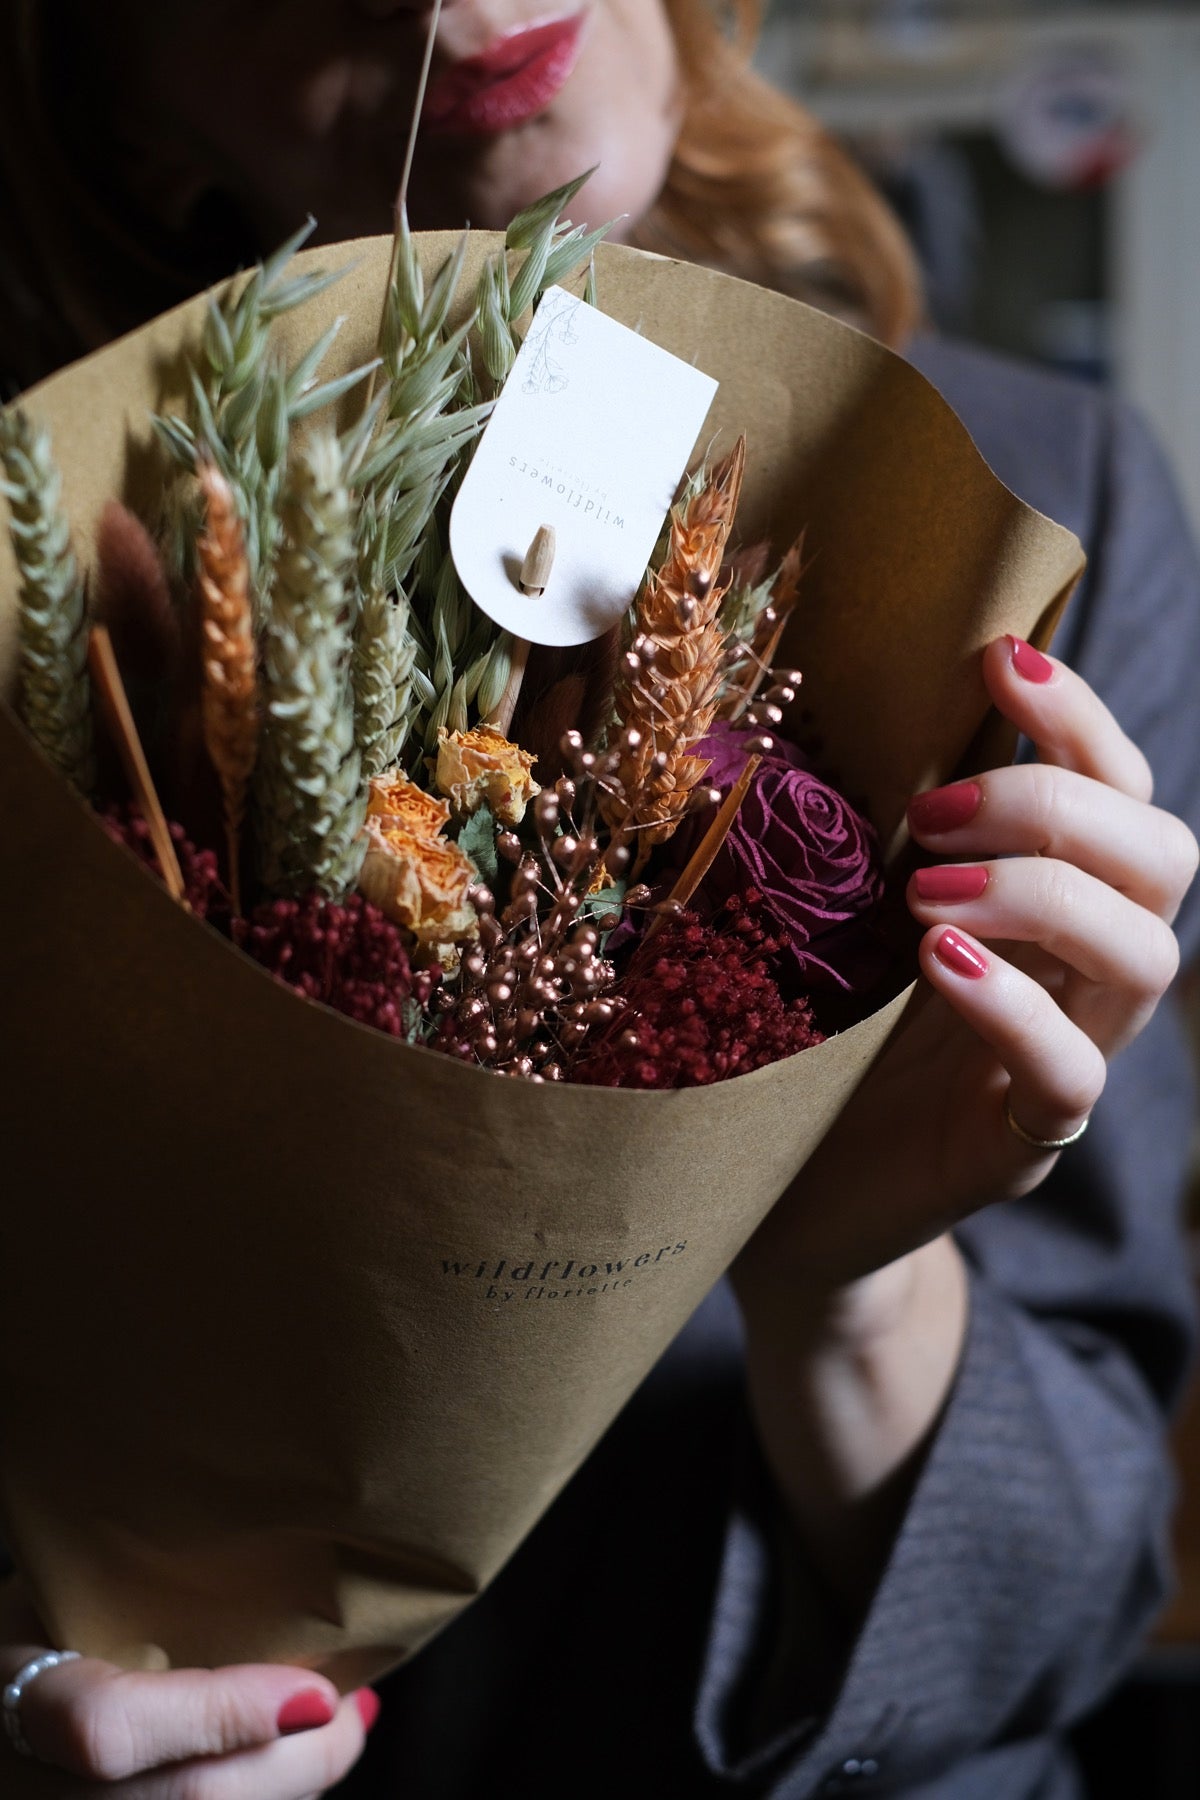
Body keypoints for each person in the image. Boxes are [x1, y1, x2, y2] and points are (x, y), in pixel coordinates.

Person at [1, 4, 1198, 1797]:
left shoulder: (1037, 519)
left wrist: (855, 1278)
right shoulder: (51, 570)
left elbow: (1070, 1602)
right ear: (118, 105)